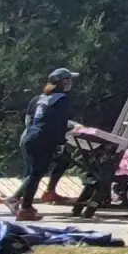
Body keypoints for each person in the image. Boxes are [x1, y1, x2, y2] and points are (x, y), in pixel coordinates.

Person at [13, 67, 77, 221]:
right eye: (69, 79)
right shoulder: (61, 99)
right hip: (44, 138)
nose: (71, 83)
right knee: (36, 174)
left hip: (31, 137)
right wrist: (60, 142)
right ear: (63, 82)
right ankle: (24, 208)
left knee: (36, 173)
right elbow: (60, 123)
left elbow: (29, 121)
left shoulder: (38, 98)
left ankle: (26, 205)